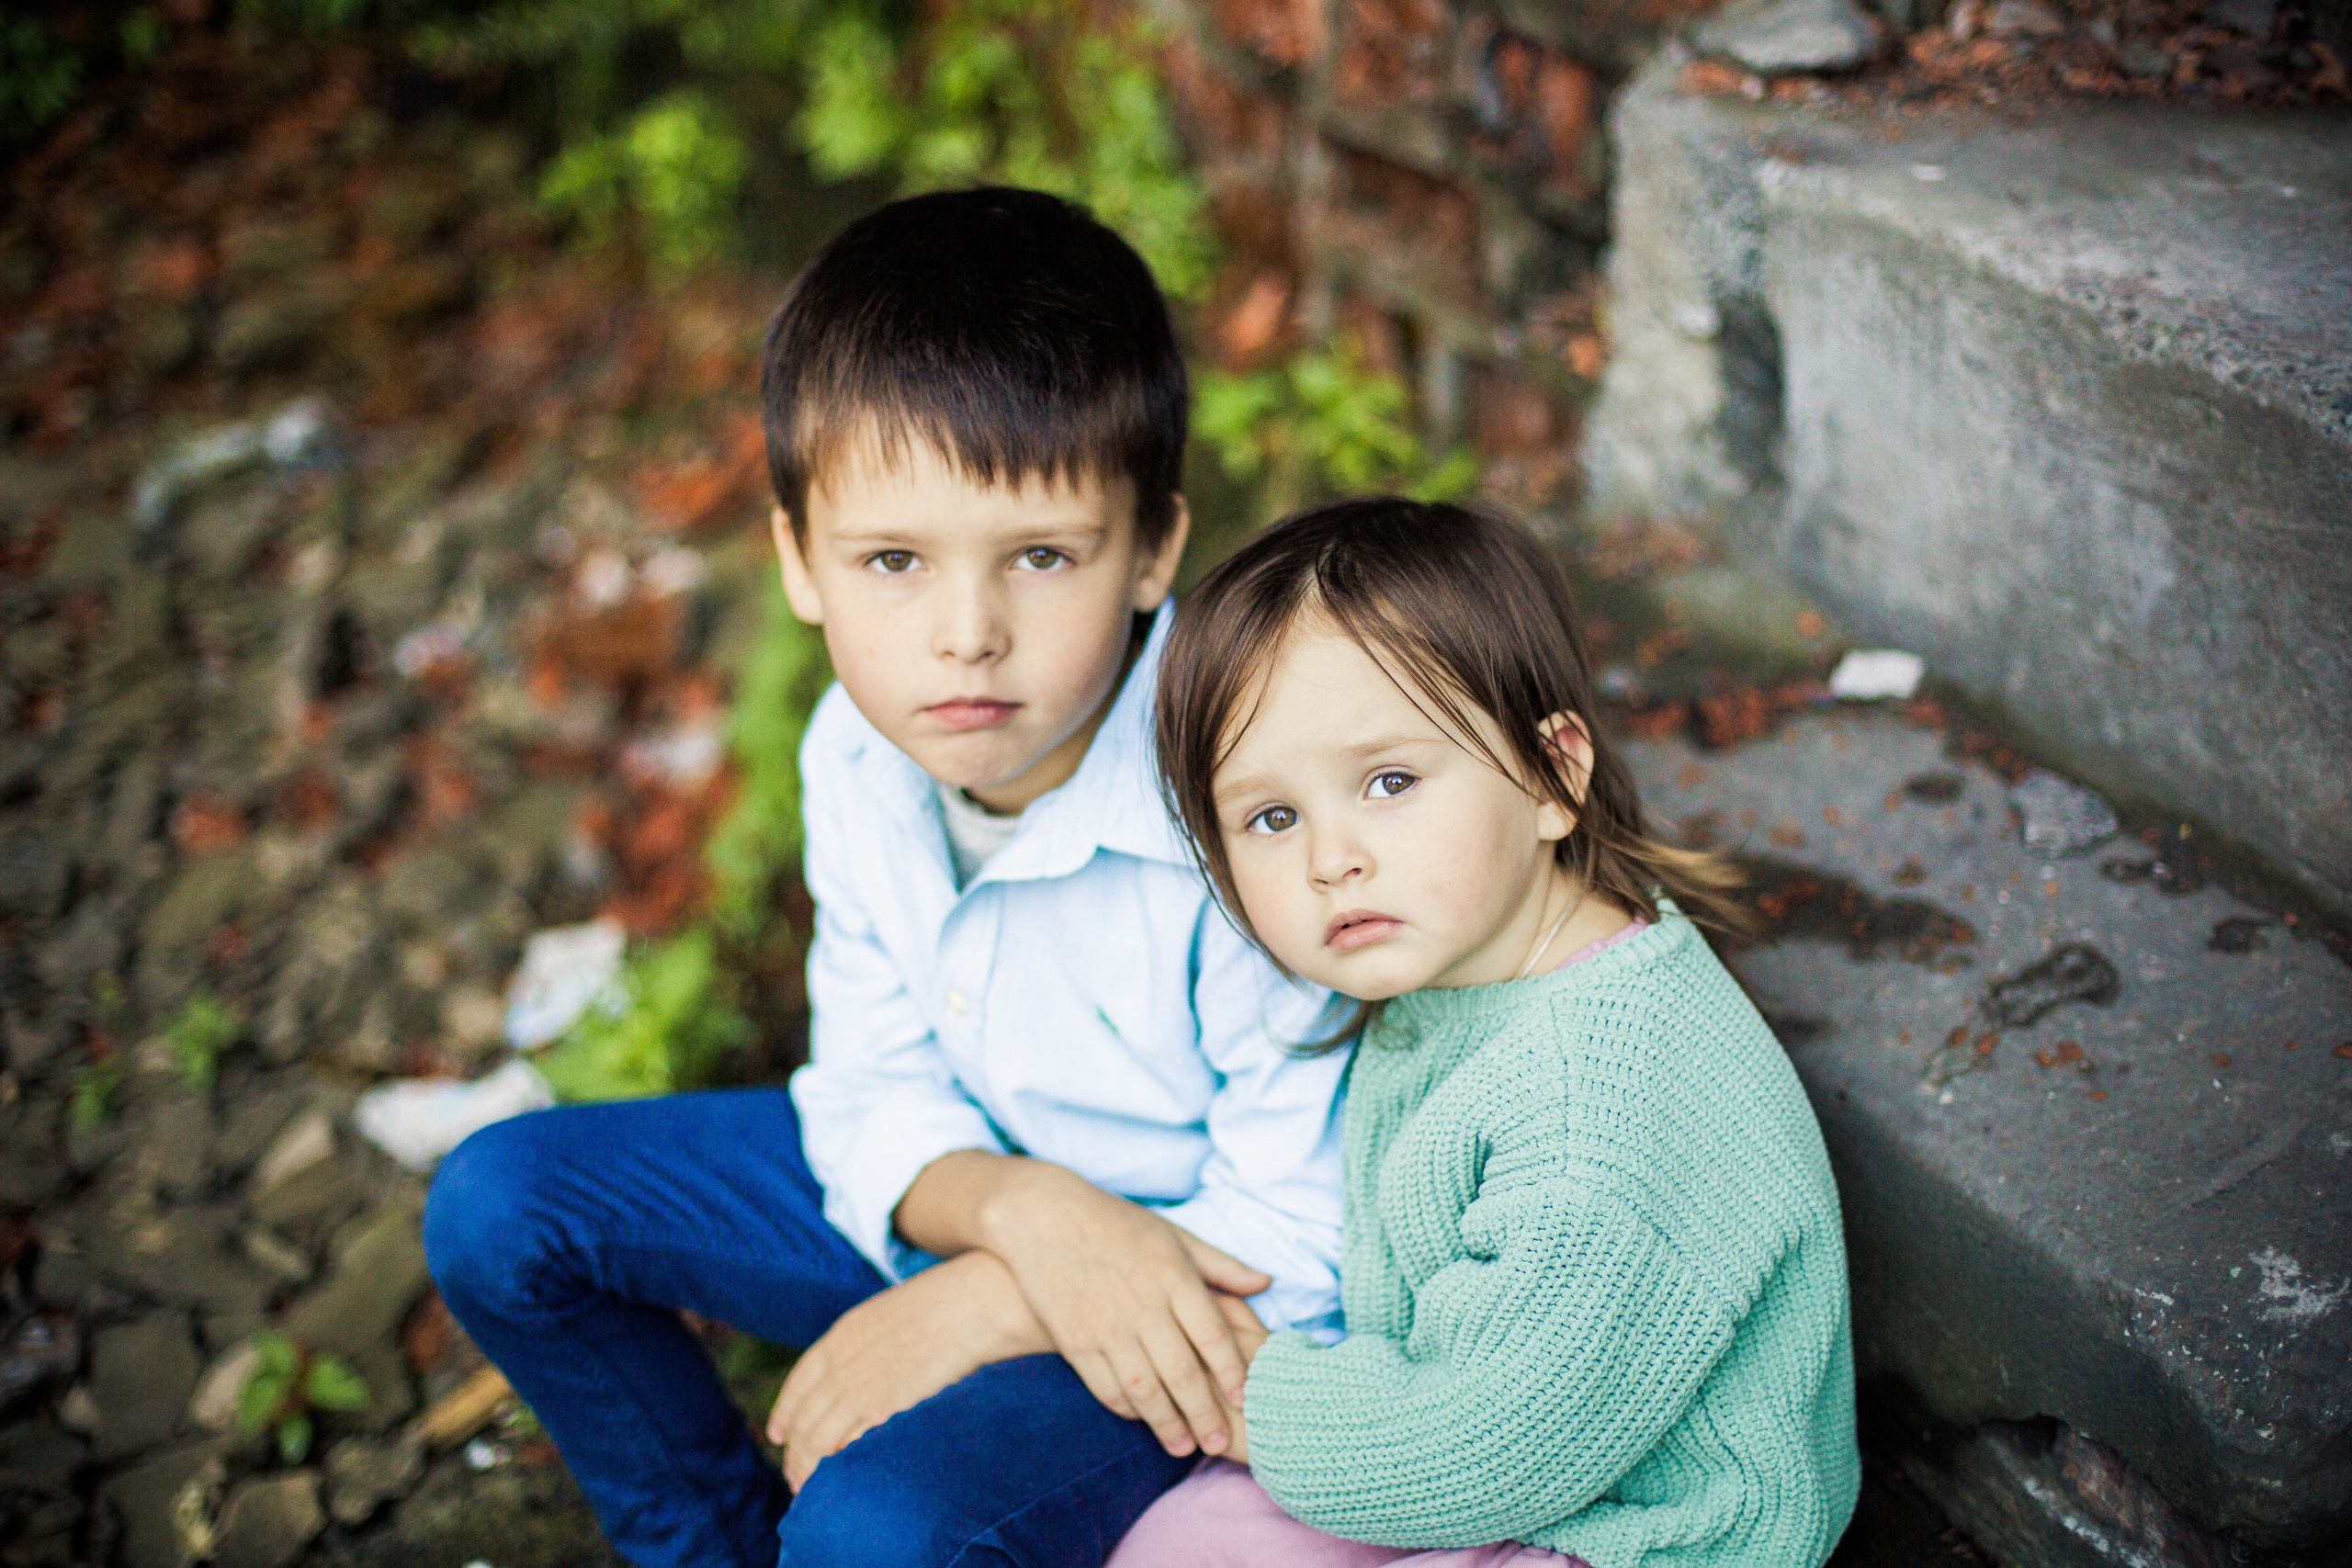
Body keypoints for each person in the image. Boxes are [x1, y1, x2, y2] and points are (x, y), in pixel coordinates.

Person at [422, 187, 1351, 1568]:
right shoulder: (855, 752)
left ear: (1153, 546)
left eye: (1041, 556)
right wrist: (1015, 1218)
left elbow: (1311, 1231)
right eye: (893, 561)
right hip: (975, 1191)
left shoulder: (1250, 801)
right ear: (800, 559)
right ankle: (713, 1546)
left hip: (1184, 1303)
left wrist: (989, 1305)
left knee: (874, 1523)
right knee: (503, 1205)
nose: (964, 636)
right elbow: (867, 1082)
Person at [1114, 497, 1860, 1568]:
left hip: (1642, 1533)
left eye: (1390, 782)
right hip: (1487, 1460)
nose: (1332, 858)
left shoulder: (1601, 1100)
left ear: (1553, 775)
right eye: (1271, 818)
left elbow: (1490, 1439)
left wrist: (1250, 1395)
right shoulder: (1472, 959)